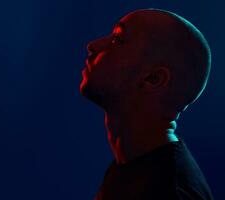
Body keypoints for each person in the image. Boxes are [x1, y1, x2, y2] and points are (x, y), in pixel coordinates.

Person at [80, 8, 214, 200]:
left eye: (118, 39)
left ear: (153, 79)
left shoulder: (168, 192)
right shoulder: (131, 165)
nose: (93, 46)